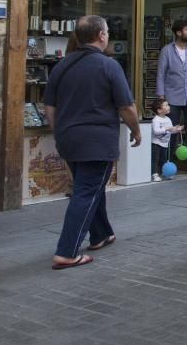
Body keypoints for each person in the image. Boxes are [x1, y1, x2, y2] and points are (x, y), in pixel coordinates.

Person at [44, 15, 142, 269]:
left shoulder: (62, 65)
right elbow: (126, 106)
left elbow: (49, 107)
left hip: (68, 139)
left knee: (90, 186)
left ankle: (101, 234)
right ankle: (67, 251)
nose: (107, 35)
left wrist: (59, 132)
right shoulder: (108, 66)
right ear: (101, 35)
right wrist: (136, 130)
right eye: (107, 31)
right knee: (86, 192)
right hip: (97, 140)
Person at [157, 18, 187, 176]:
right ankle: (167, 164)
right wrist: (161, 97)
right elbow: (160, 75)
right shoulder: (167, 50)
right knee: (170, 132)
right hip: (172, 98)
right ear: (178, 33)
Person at [150, 98, 182, 182]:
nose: (169, 107)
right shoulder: (156, 120)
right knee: (155, 159)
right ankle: (154, 174)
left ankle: (164, 173)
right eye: (166, 105)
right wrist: (168, 128)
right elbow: (156, 132)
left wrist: (177, 129)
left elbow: (170, 131)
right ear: (159, 110)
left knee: (164, 159)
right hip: (156, 143)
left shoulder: (168, 119)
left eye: (168, 105)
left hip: (165, 143)